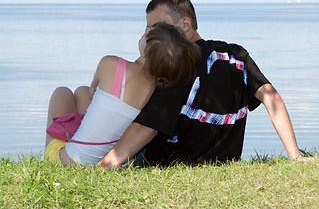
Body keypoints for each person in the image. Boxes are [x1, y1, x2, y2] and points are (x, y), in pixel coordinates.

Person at [97, 0, 319, 169]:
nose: (151, 34)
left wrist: (104, 166)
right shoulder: (237, 55)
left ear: (185, 24)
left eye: (158, 27)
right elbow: (272, 99)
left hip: (168, 161)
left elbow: (148, 126)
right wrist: (295, 155)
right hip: (225, 160)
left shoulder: (180, 62)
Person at [44, 22, 201, 165]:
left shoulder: (111, 63)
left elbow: (93, 90)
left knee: (63, 92)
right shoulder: (160, 91)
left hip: (68, 161)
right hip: (109, 160)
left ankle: (52, 158)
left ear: (146, 45)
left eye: (147, 34)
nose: (144, 32)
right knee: (81, 92)